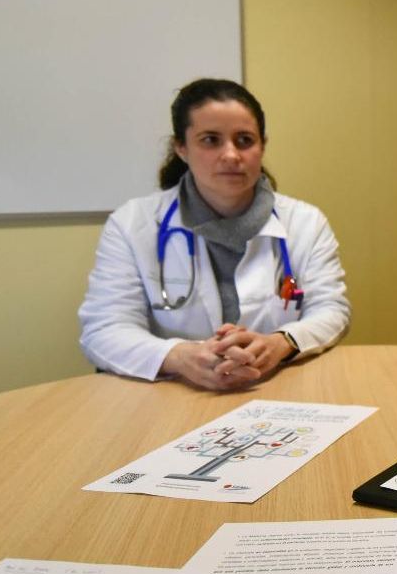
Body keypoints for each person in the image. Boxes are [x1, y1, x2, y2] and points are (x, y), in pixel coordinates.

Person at [79, 78, 350, 389]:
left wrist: (280, 343)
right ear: (181, 148)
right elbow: (105, 328)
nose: (231, 155)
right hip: (173, 395)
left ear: (262, 146)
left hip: (276, 391)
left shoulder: (305, 222)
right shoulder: (132, 224)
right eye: (211, 140)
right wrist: (180, 356)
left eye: (244, 140)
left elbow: (331, 310)